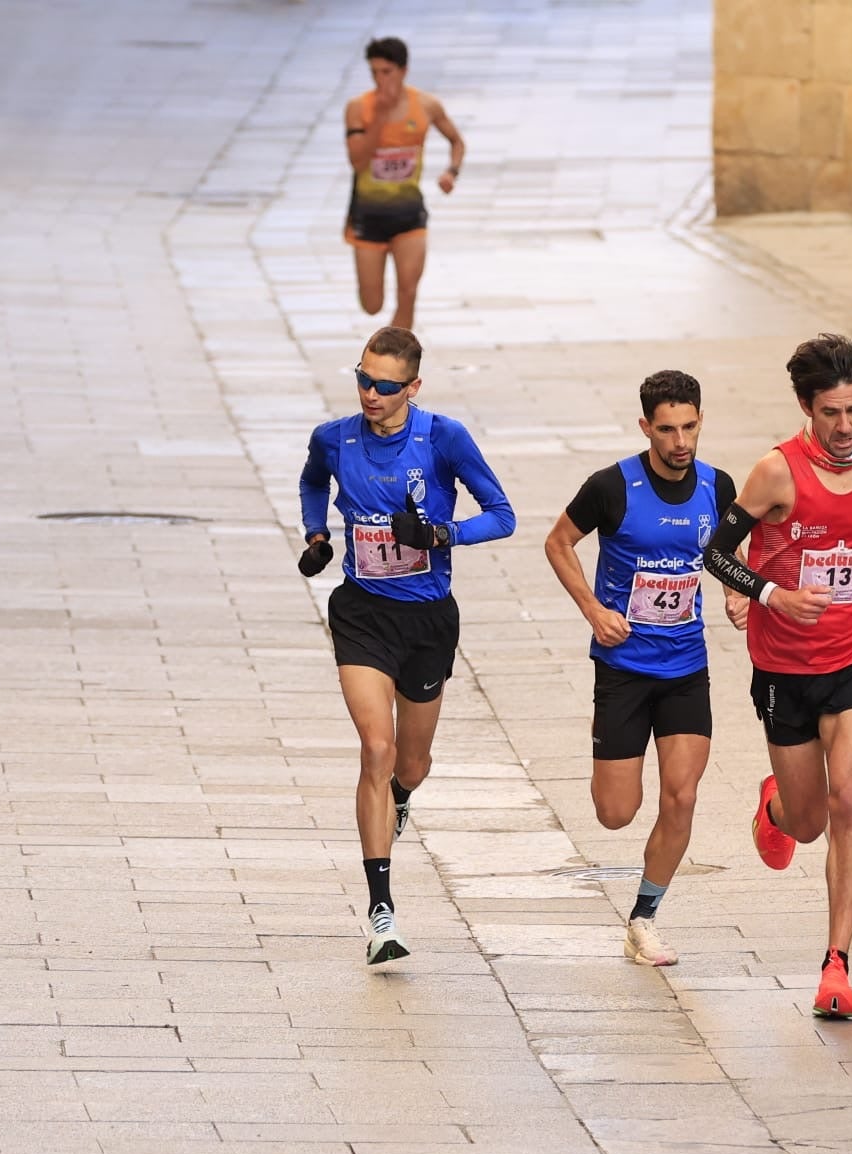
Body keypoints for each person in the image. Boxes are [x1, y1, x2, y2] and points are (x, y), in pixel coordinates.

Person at [704, 334, 852, 1020]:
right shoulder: (775, 473)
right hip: (783, 664)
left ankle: (836, 966)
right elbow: (716, 554)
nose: (845, 428)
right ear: (806, 408)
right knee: (809, 820)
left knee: (849, 798)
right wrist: (772, 596)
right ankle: (775, 805)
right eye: (830, 414)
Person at [297, 327, 515, 965]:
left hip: (426, 621)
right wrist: (316, 534)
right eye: (363, 379)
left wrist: (442, 534)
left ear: (412, 388)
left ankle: (401, 799)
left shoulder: (444, 438)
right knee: (376, 747)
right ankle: (381, 913)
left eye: (385, 385)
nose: (370, 393)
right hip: (362, 613)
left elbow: (502, 514)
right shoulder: (333, 438)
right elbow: (313, 482)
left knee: (410, 765)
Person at [543, 372, 737, 967]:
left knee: (681, 795)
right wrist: (594, 609)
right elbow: (557, 543)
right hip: (624, 668)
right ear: (646, 427)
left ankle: (644, 918)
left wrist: (738, 592)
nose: (680, 441)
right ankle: (609, 765)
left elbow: (729, 554)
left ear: (701, 420)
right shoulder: (612, 486)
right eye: (667, 429)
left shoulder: (717, 486)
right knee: (615, 812)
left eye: (690, 426)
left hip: (685, 666)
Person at [343, 36, 466, 330]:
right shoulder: (359, 108)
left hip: (409, 214)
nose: (380, 79)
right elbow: (358, 161)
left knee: (408, 292)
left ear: (403, 70)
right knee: (372, 305)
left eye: (387, 72)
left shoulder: (425, 105)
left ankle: (398, 364)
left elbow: (457, 141)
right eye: (374, 73)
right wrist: (381, 116)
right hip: (368, 215)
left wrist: (451, 172)